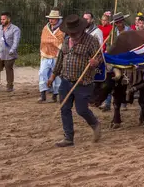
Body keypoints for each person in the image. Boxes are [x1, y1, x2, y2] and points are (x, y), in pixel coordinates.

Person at [48, 14, 103, 147]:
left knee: (81, 110)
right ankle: (68, 137)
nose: (72, 35)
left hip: (83, 82)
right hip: (66, 80)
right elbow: (61, 59)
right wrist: (53, 76)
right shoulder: (67, 41)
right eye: (69, 32)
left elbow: (100, 58)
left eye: (74, 33)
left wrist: (95, 62)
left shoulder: (91, 41)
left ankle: (95, 124)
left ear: (81, 30)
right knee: (64, 109)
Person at [0, 12, 21, 93]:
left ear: (8, 19)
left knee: (8, 69)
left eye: (3, 19)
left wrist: (12, 50)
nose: (2, 21)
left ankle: (10, 86)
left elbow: (16, 41)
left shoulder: (15, 29)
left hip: (9, 54)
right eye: (1, 19)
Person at [38, 8, 65, 103]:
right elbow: (43, 40)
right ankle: (43, 93)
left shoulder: (62, 29)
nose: (51, 20)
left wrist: (50, 41)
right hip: (45, 54)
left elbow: (61, 42)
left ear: (57, 19)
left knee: (57, 75)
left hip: (57, 56)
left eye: (53, 18)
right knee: (42, 73)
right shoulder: (45, 28)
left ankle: (55, 95)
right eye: (50, 18)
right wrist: (52, 42)